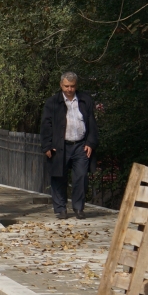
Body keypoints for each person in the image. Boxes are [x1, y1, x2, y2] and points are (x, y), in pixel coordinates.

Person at [40, 72, 98, 220]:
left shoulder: (85, 100)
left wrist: (90, 143)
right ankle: (60, 209)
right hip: (60, 145)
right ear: (61, 85)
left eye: (72, 86)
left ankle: (78, 208)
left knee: (81, 177)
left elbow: (92, 123)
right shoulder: (52, 102)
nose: (69, 89)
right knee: (58, 176)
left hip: (80, 145)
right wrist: (47, 146)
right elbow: (46, 125)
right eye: (66, 86)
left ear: (76, 86)